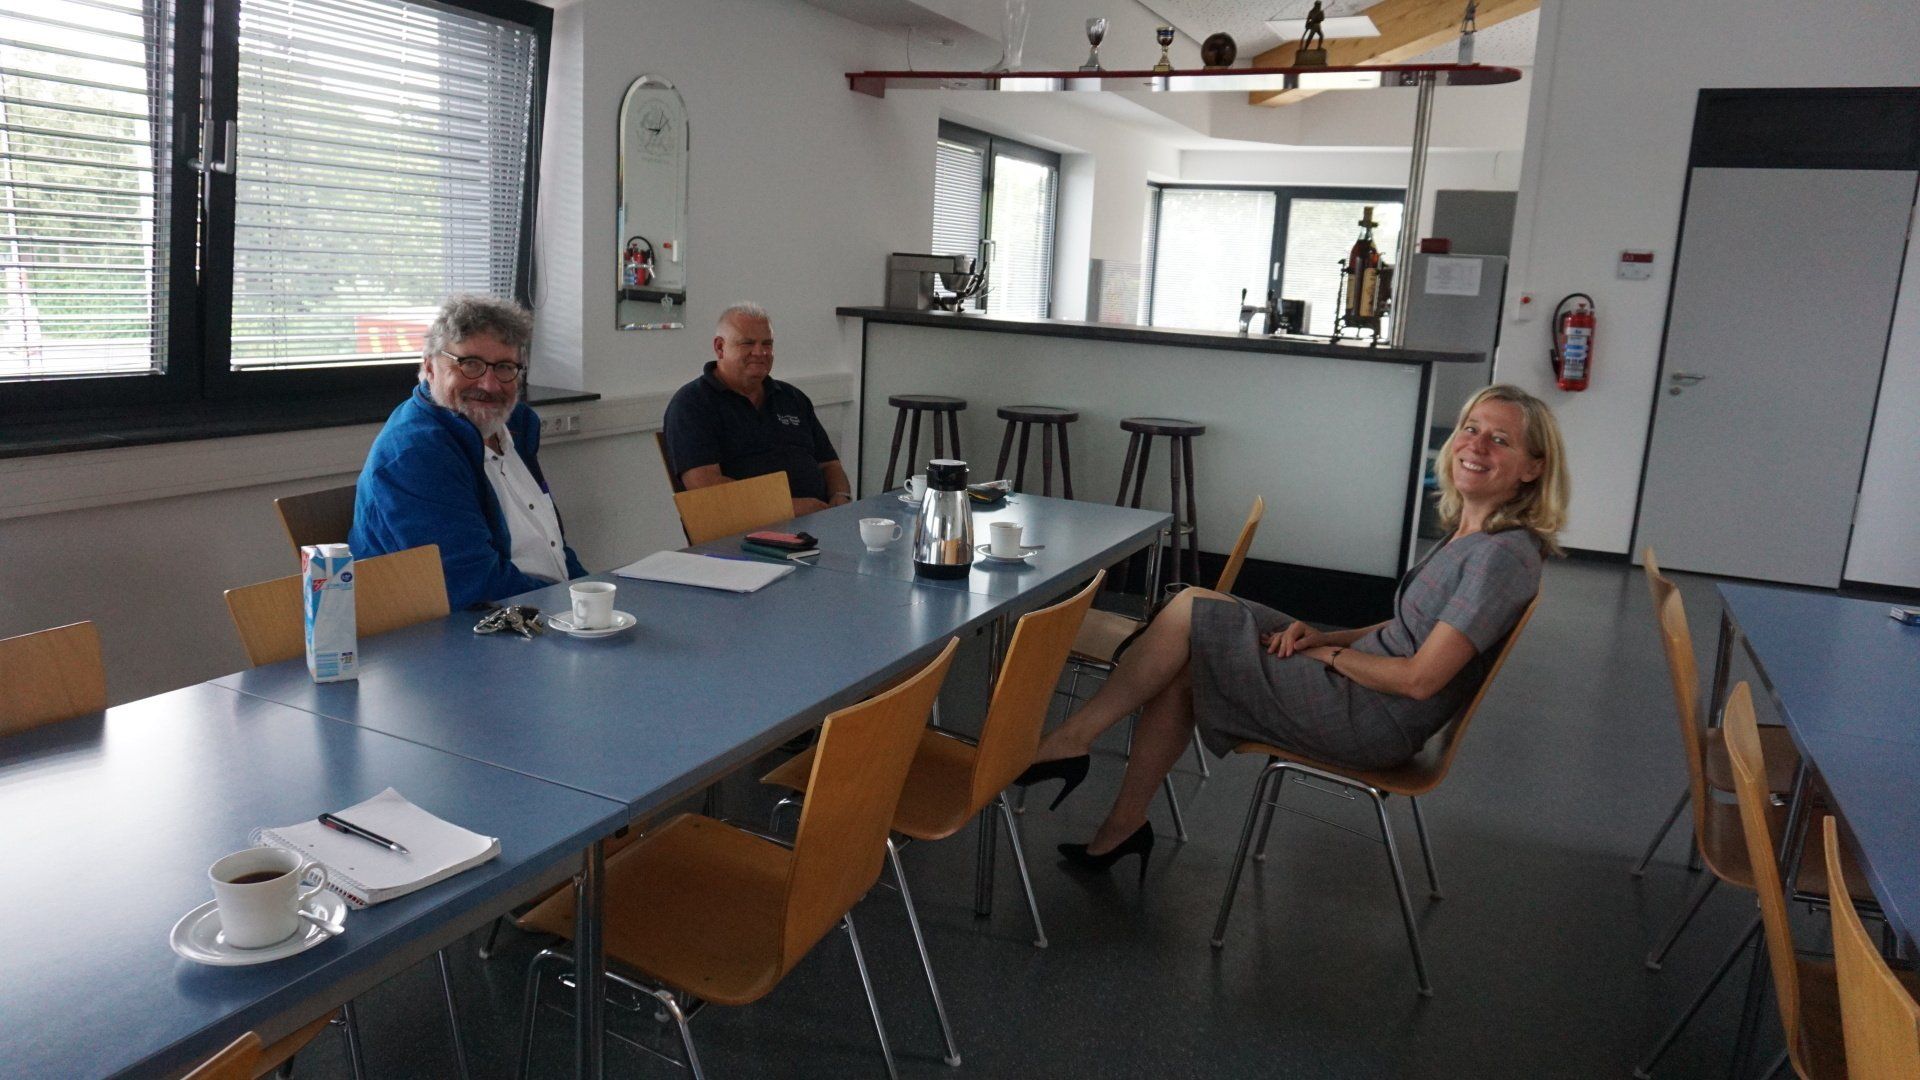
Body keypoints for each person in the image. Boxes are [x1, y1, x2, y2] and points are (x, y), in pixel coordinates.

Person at [1021, 384, 1569, 874]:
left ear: (1533, 468)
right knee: (1191, 630)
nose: (1476, 445)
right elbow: (1411, 626)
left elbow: (1419, 680)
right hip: (1362, 684)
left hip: (1370, 716)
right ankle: (1121, 825)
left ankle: (1069, 743)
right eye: (1471, 429)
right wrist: (1326, 637)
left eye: (1500, 440)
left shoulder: (1499, 557)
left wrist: (1326, 658)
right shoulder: (1475, 535)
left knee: (1189, 616)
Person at [349, 294, 587, 610]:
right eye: (470, 364)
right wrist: (574, 609)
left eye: (504, 367)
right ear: (430, 366)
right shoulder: (416, 455)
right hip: (466, 628)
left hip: (540, 608)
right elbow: (474, 586)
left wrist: (593, 595)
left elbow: (552, 547)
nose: (489, 385)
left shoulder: (514, 425)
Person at [662, 303, 853, 516]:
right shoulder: (692, 404)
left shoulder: (792, 397)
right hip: (746, 529)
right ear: (720, 347)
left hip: (820, 519)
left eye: (767, 344)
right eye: (748, 343)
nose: (760, 352)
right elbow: (705, 486)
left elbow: (830, 464)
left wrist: (841, 496)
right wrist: (791, 508)